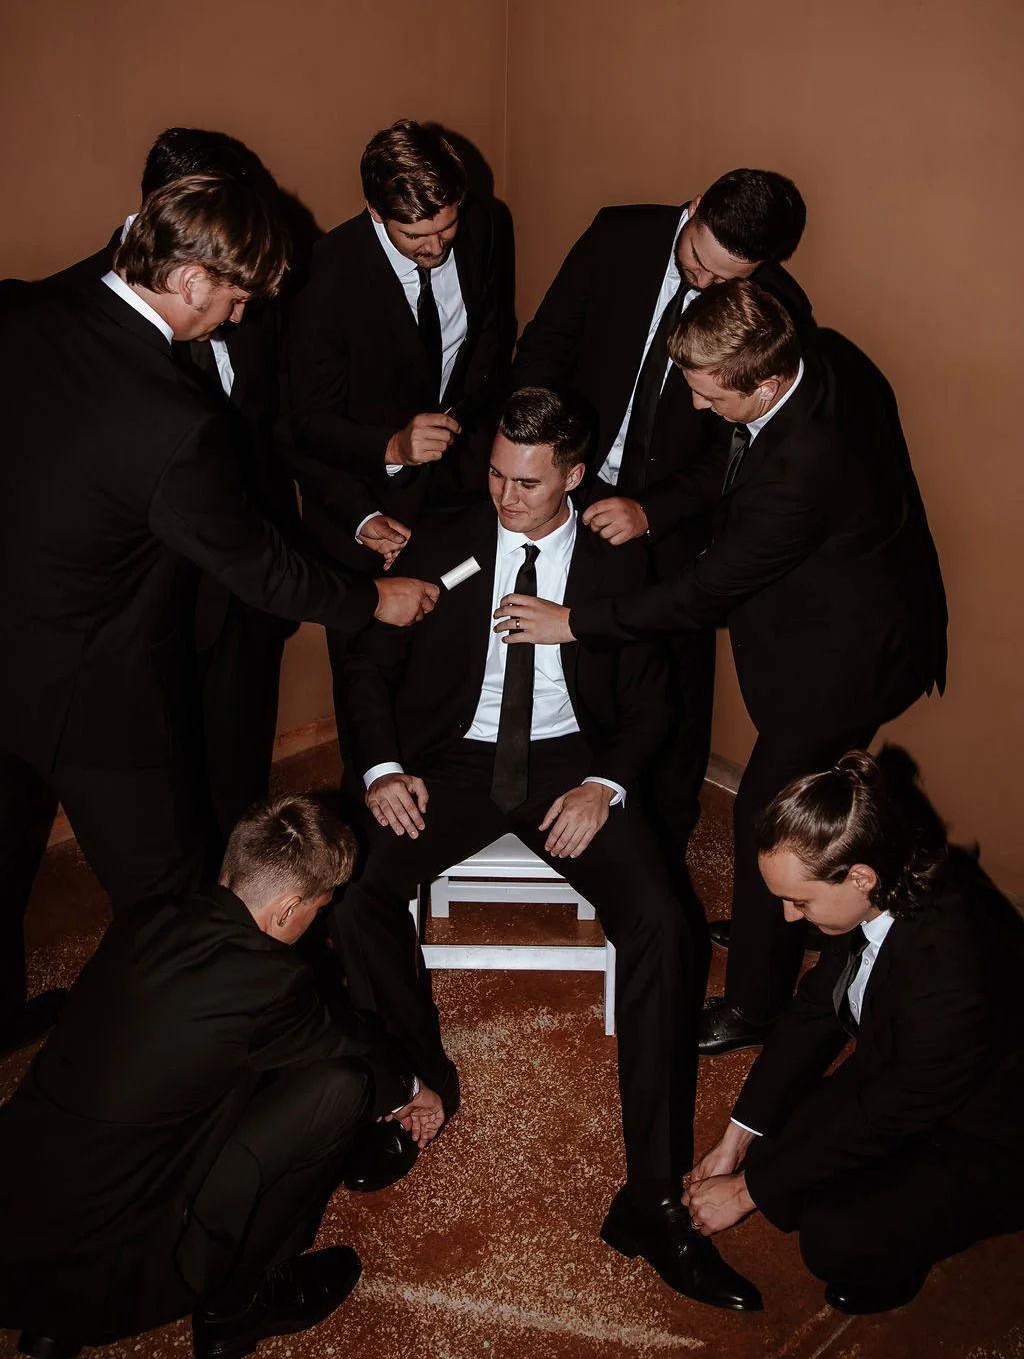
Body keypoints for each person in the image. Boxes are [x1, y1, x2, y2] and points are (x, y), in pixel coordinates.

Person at [333, 387, 762, 1313]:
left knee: (662, 923)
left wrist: (604, 786)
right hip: (449, 761)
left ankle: (650, 1196)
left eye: (527, 481)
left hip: (572, 763)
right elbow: (367, 659)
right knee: (352, 889)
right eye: (494, 472)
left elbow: (654, 704)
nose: (505, 496)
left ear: (575, 474)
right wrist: (379, 768)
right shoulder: (444, 533)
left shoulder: (621, 558)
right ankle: (415, 1082)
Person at [0, 175, 437, 1056]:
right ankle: (197, 1072)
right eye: (234, 298)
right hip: (93, 696)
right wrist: (371, 599)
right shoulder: (171, 419)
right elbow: (261, 568)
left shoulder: (24, 313)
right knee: (171, 901)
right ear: (193, 280)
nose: (235, 319)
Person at [496, 280, 947, 1055]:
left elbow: (701, 593)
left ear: (764, 380)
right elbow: (731, 461)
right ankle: (789, 913)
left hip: (844, 654)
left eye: (709, 396)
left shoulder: (801, 473)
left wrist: (574, 624)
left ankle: (756, 1005)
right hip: (857, 608)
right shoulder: (824, 355)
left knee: (762, 813)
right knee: (807, 806)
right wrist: (656, 510)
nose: (699, 409)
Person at [0, 794, 444, 1358]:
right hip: (116, 1273)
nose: (319, 920)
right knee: (341, 1086)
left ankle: (59, 1323)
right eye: (319, 907)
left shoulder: (148, 918)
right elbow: (347, 1041)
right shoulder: (268, 982)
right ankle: (238, 1308)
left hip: (16, 1224)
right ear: (286, 910)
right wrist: (413, 1091)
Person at [512, 170, 809, 862]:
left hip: (673, 516)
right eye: (699, 260)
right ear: (697, 204)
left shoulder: (775, 309)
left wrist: (653, 510)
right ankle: (553, 801)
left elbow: (738, 447)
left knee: (672, 681)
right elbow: (548, 344)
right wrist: (540, 457)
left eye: (725, 276)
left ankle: (661, 840)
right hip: (574, 478)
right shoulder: (619, 233)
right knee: (569, 652)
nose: (703, 282)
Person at [46, 126, 315, 844]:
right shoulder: (56, 312)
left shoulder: (247, 282)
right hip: (135, 615)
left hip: (246, 593)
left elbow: (277, 423)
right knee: (154, 821)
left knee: (238, 786)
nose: (238, 314)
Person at [684, 752, 1024, 1315]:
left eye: (801, 901)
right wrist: (736, 1139)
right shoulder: (882, 880)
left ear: (860, 877)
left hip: (987, 1132)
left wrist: (744, 1193)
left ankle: (905, 1259)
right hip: (904, 1068)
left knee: (833, 1239)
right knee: (785, 1163)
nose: (791, 918)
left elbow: (882, 1114)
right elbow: (814, 1011)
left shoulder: (951, 984)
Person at [284, 119, 514, 803]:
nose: (439, 248)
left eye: (447, 228)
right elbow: (303, 423)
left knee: (453, 660)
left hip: (457, 494)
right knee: (368, 682)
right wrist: (389, 450)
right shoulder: (323, 274)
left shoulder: (486, 225)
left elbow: (492, 346)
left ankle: (447, 802)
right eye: (418, 237)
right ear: (373, 210)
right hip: (359, 508)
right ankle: (376, 818)